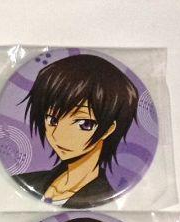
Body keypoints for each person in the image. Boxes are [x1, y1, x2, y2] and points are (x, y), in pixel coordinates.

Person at [15, 53, 139, 208]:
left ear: (109, 129)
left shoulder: (104, 195)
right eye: (52, 120)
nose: (58, 136)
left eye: (84, 124)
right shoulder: (29, 181)